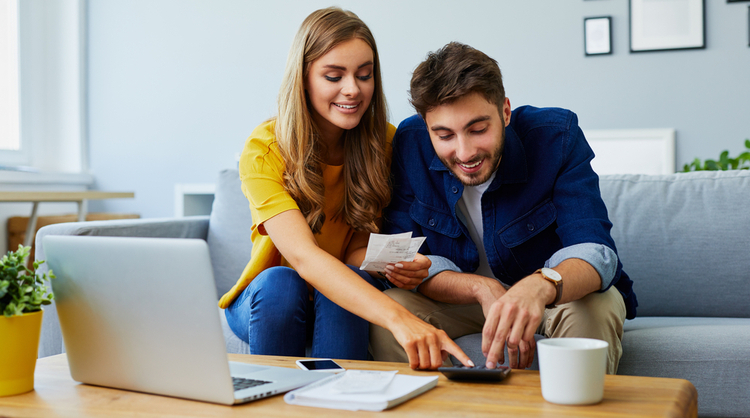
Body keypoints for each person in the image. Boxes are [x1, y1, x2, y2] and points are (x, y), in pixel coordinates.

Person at [220, 8, 472, 369]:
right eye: (334, 76)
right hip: (271, 299)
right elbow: (305, 258)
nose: (353, 90)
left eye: (364, 75)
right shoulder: (265, 149)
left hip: (338, 296)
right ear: (303, 79)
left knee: (347, 280)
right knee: (282, 282)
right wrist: (400, 319)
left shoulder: (385, 143)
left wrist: (393, 265)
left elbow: (355, 250)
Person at [370, 42, 637, 374]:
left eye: (478, 129)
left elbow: (595, 251)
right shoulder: (410, 143)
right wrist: (480, 287)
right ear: (427, 128)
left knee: (597, 306)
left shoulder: (557, 136)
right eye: (444, 135)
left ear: (505, 112)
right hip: (464, 302)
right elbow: (405, 262)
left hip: (553, 297)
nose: (464, 152)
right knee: (390, 311)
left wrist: (540, 286)